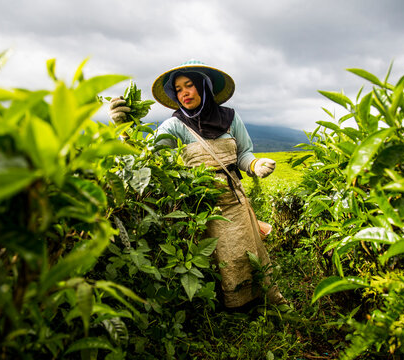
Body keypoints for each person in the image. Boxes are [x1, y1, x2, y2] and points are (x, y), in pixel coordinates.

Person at [108, 60, 284, 308]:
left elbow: (244, 153)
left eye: (189, 85)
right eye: (178, 89)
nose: (184, 93)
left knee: (246, 251)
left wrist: (255, 165)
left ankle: (261, 298)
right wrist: (124, 130)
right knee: (216, 258)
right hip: (201, 207)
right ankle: (225, 307)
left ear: (204, 87)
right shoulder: (175, 126)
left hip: (233, 201)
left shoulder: (230, 119)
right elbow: (146, 157)